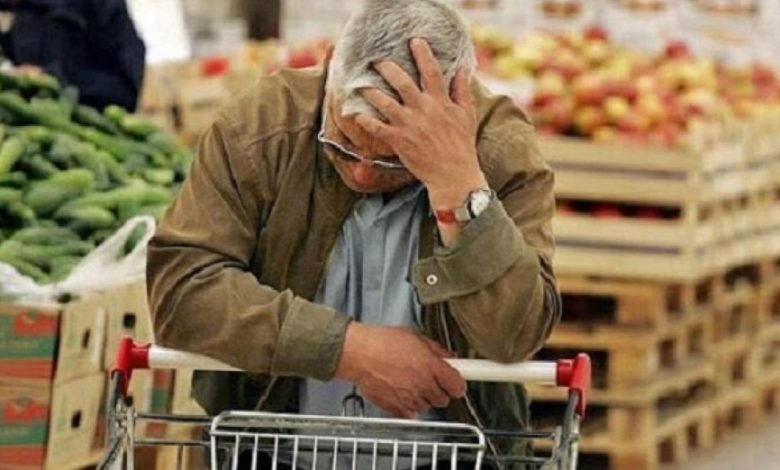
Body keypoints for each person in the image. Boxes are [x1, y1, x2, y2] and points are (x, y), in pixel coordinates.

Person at [147, 0, 561, 467]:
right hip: (272, 452)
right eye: (342, 143)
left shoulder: (499, 151)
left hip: (454, 456)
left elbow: (515, 336)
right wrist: (347, 349)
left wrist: (459, 187)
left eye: (392, 159)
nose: (362, 173)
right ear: (330, 75)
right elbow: (183, 290)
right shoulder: (262, 126)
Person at [0, 0, 145, 111]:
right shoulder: (20, 9)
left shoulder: (100, 6)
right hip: (25, 125)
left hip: (87, 129)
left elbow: (124, 91)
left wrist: (52, 78)